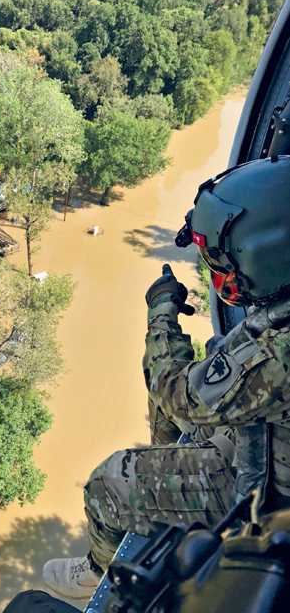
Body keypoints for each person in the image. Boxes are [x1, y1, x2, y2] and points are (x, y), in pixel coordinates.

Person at [42, 155, 290, 600]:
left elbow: (175, 390)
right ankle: (166, 484)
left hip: (269, 498)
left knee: (107, 482)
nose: (221, 273)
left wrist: (162, 312)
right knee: (198, 376)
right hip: (272, 432)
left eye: (224, 263)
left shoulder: (280, 354)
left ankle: (99, 567)